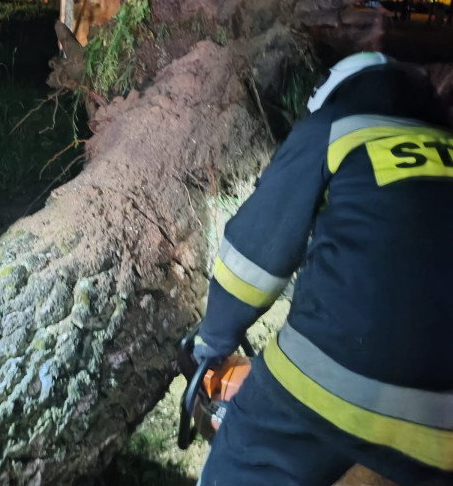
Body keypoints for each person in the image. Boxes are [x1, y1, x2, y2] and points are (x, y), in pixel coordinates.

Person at [194, 52, 453, 486]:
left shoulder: (337, 127)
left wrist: (210, 345)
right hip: (441, 426)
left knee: (242, 463)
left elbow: (252, 259)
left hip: (338, 381)